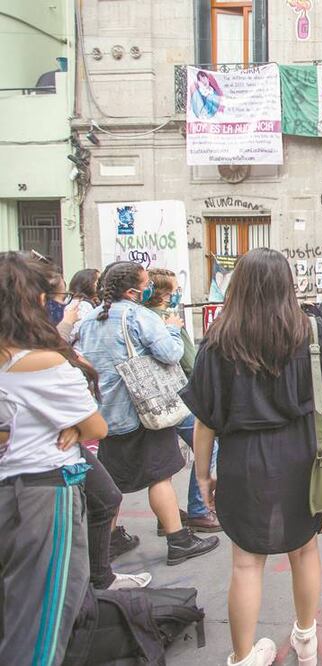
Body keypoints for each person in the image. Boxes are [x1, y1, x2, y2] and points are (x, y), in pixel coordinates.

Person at [179, 248, 322, 666]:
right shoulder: (309, 330)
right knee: (304, 549)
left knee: (246, 563)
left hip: (243, 457)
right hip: (301, 452)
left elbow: (204, 421)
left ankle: (244, 655)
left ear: (239, 285)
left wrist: (202, 475)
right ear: (287, 284)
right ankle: (306, 640)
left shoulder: (219, 339)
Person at [0, 252, 108, 666]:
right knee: (42, 620)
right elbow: (96, 426)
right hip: (43, 491)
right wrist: (76, 425)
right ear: (35, 300)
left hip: (12, 488)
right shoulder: (42, 363)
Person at [76, 261, 219, 566]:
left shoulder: (88, 319)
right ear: (132, 291)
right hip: (143, 410)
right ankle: (178, 539)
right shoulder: (138, 316)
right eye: (146, 285)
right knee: (160, 475)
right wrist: (172, 330)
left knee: (113, 480)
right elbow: (170, 353)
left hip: (106, 412)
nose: (149, 289)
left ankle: (109, 540)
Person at [144, 268, 221, 535]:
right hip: (176, 396)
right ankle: (199, 510)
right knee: (208, 447)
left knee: (162, 463)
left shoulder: (139, 318)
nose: (178, 293)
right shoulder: (168, 320)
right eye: (175, 289)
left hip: (152, 399)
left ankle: (168, 517)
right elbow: (187, 360)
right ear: (163, 293)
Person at [59, 268, 100, 342]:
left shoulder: (70, 300)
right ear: (88, 284)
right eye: (98, 282)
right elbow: (78, 333)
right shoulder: (83, 305)